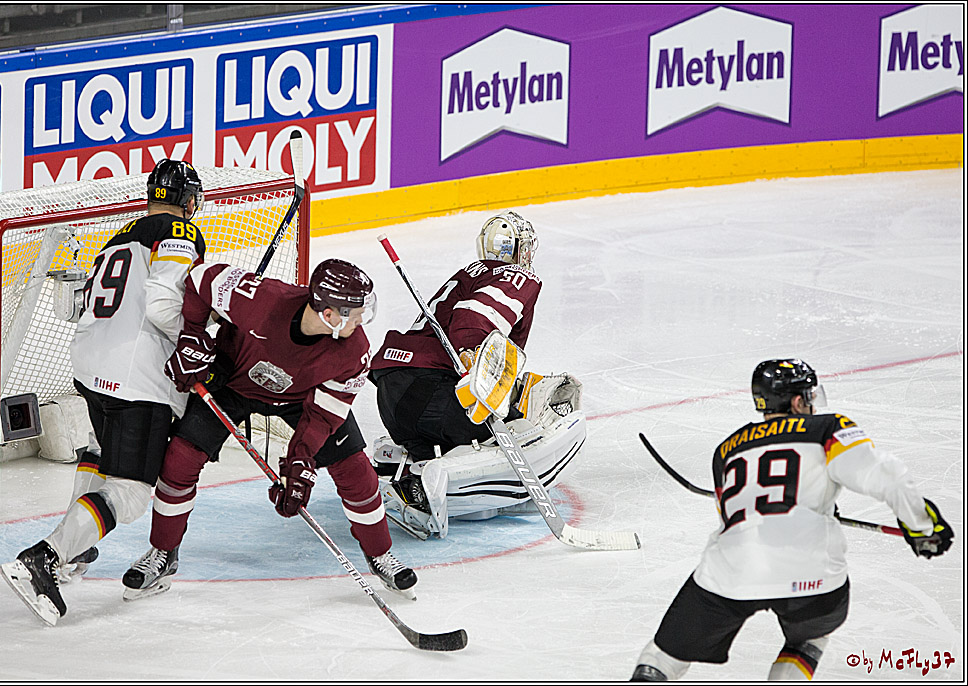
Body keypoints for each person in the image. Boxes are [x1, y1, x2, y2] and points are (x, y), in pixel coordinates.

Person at [630, 358, 954, 681]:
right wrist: (922, 526)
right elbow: (889, 477)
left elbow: (734, 516)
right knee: (809, 637)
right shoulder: (827, 428)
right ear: (798, 401)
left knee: (663, 656)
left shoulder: (725, 451)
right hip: (814, 576)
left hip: (734, 569)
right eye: (809, 397)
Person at [121, 257, 418, 600]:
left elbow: (324, 415)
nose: (361, 319)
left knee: (354, 468)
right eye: (353, 312)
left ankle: (380, 553)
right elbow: (202, 279)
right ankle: (163, 553)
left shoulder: (354, 351)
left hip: (304, 398)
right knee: (180, 459)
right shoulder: (262, 299)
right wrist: (192, 336)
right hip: (234, 383)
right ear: (328, 314)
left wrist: (300, 461)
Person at [0, 160, 206, 625]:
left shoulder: (118, 238)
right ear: (188, 202)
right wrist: (197, 336)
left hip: (90, 365)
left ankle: (75, 552)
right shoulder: (179, 233)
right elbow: (162, 306)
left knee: (98, 450)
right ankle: (46, 558)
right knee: (131, 493)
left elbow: (83, 304)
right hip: (138, 379)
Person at [368, 210, 586, 539]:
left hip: (395, 393)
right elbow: (474, 317)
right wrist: (472, 353)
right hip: (434, 391)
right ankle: (430, 486)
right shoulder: (516, 277)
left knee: (479, 417)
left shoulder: (470, 273)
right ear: (514, 250)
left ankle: (404, 468)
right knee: (522, 428)